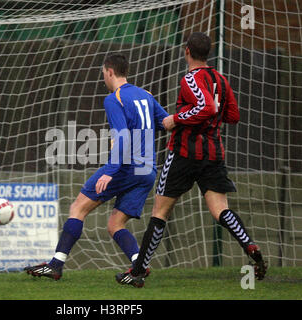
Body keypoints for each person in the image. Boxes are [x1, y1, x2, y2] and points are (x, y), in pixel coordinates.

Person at [116, 32, 268, 288]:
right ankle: (250, 246)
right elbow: (232, 115)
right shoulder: (220, 79)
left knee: (160, 212)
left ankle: (138, 271)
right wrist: (209, 120)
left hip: (184, 153)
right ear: (207, 53)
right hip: (214, 153)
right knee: (221, 210)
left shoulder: (190, 78)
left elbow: (206, 107)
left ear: (187, 51)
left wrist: (176, 119)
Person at [24, 54, 171, 280]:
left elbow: (121, 138)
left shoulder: (114, 98)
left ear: (109, 71)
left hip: (126, 166)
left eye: (103, 72)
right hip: (148, 171)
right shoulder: (146, 95)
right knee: (115, 224)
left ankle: (56, 265)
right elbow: (166, 122)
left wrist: (111, 172)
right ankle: (138, 268)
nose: (103, 76)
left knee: (78, 208)